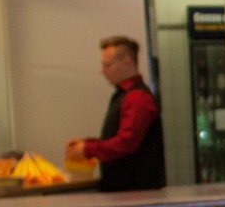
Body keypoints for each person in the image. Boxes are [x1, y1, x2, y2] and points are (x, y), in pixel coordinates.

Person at [67, 35, 165, 192]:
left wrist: (88, 149)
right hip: (131, 192)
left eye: (107, 65)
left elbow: (126, 143)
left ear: (127, 62)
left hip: (136, 194)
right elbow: (122, 139)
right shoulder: (127, 95)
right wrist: (88, 144)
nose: (102, 71)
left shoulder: (137, 98)